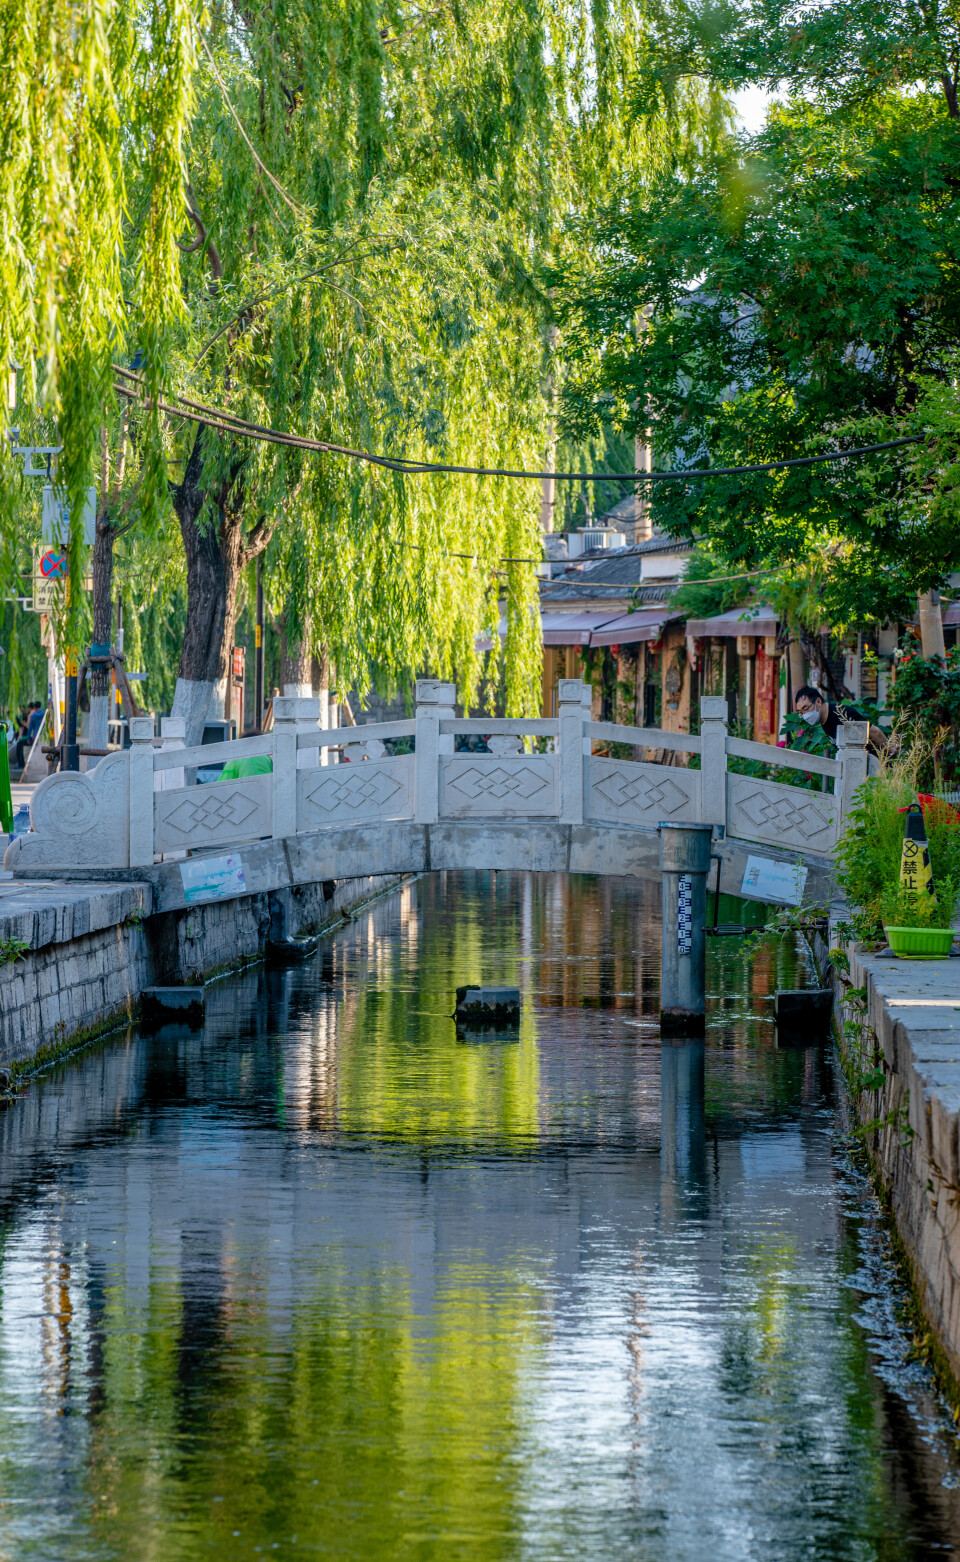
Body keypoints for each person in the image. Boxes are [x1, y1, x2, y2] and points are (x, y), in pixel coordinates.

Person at [793, 685, 887, 753]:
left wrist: (889, 750)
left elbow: (874, 732)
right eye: (801, 712)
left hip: (875, 766)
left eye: (805, 709)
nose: (805, 715)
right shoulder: (824, 720)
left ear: (818, 701)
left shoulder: (842, 713)